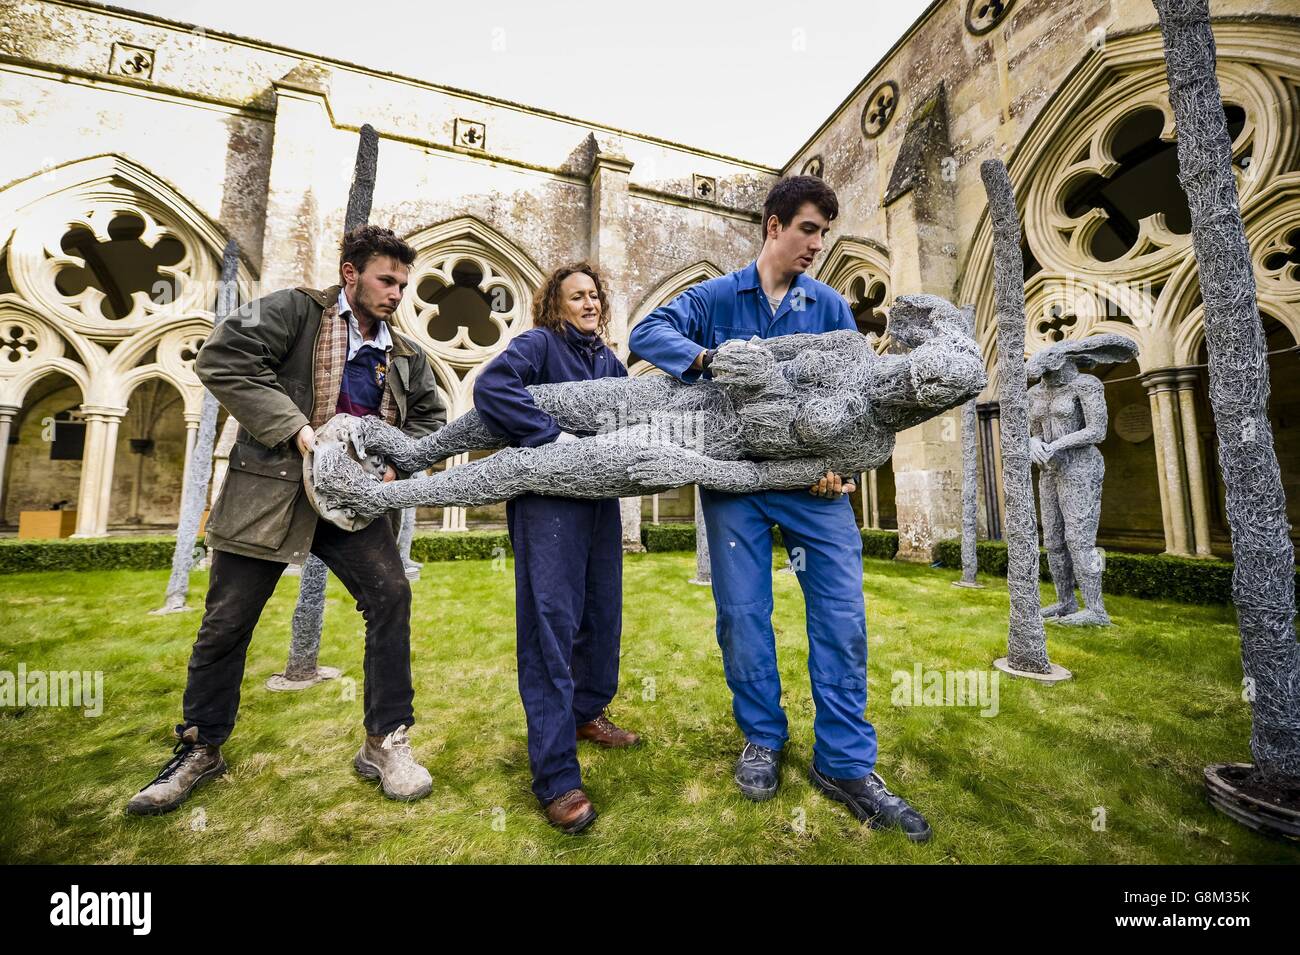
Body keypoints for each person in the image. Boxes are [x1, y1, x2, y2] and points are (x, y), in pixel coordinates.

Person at [629, 176, 932, 841]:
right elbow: (648, 331)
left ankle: (846, 763)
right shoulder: (713, 297)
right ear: (773, 227)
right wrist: (705, 359)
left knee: (843, 619)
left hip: (812, 486)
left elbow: (850, 396)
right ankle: (762, 736)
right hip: (734, 481)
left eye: (825, 231)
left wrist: (840, 469)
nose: (818, 244)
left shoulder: (827, 305)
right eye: (808, 229)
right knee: (741, 615)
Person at [126, 225, 447, 816]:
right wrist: (298, 432)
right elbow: (222, 358)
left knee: (391, 598)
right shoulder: (296, 312)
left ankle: (386, 743)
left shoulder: (404, 354)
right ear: (350, 273)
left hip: (353, 507)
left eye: (404, 284)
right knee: (226, 622)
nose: (397, 293)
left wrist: (398, 469)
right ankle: (200, 747)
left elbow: (431, 419)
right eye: (386, 280)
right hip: (271, 493)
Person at [472, 263, 640, 834]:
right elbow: (492, 387)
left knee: (601, 613)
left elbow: (632, 409)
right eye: (578, 296)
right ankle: (555, 776)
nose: (590, 303)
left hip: (598, 502)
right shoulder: (538, 344)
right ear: (556, 305)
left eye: (595, 295)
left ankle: (586, 713)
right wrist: (555, 437)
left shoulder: (607, 360)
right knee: (551, 624)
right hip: (548, 506)